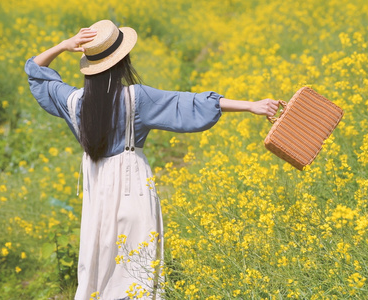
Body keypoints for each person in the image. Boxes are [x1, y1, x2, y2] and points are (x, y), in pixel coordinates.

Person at [25, 19, 279, 300]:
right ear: (123, 61)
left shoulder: (74, 102)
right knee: (138, 273)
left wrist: (63, 45)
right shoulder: (136, 98)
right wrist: (251, 105)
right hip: (133, 189)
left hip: (96, 193)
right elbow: (188, 103)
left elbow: (36, 73)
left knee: (100, 262)